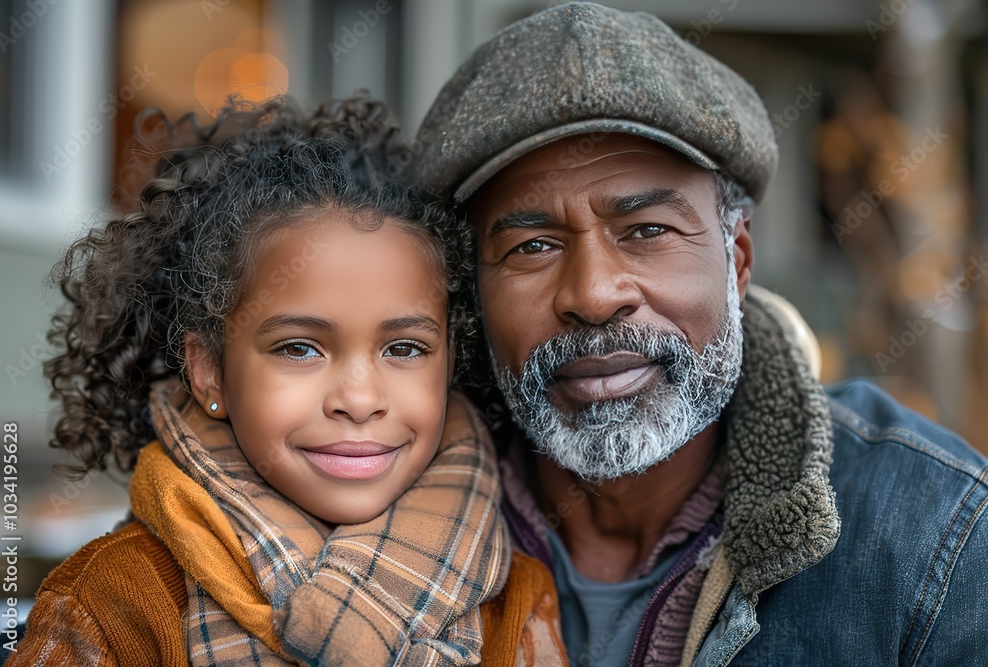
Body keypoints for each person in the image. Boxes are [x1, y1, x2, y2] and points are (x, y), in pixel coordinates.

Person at [408, 3, 988, 665]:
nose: (595, 295)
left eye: (648, 230)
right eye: (533, 245)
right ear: (472, 292)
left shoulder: (937, 539)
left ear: (737, 259)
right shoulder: (366, 508)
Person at [5, 95, 565, 666]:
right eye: (299, 348)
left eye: (404, 348)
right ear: (208, 371)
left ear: (451, 363)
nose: (360, 399)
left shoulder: (517, 602)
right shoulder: (112, 602)